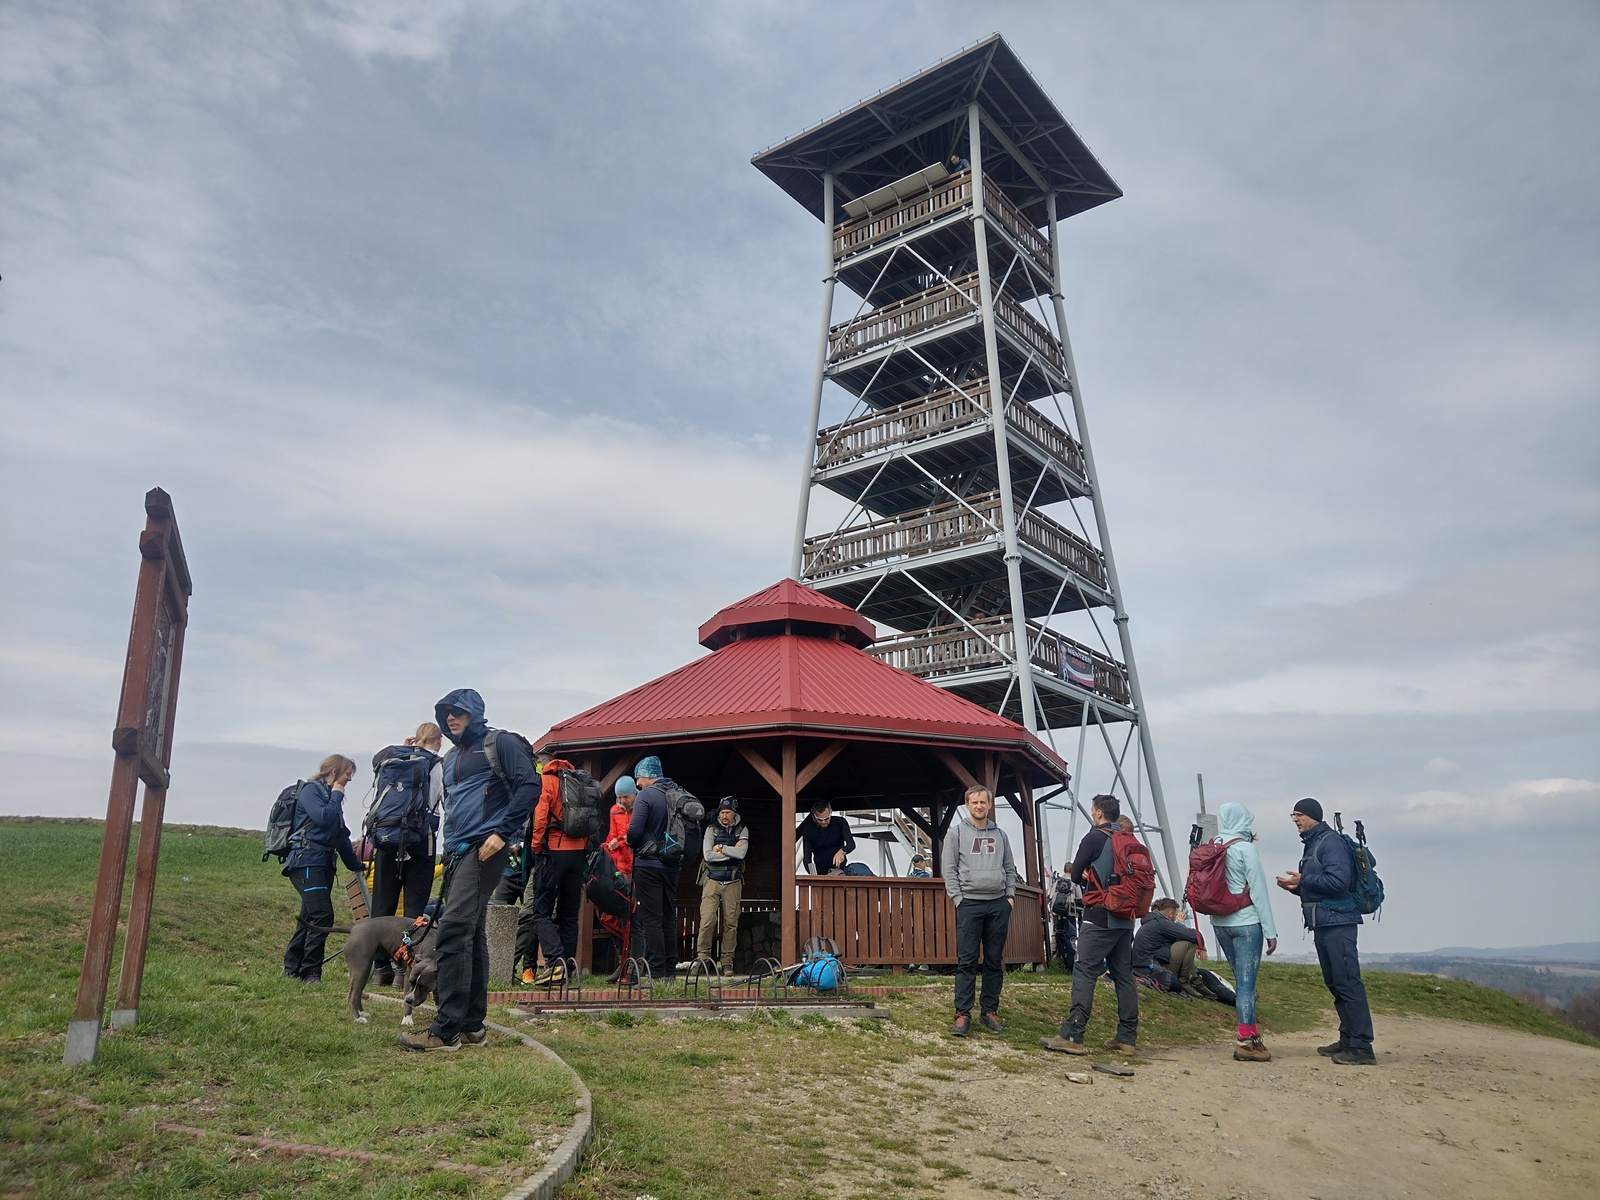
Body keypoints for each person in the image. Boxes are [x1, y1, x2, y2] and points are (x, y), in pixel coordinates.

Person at [398, 689, 536, 1052]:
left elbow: (529, 786)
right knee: (471, 933)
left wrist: (502, 833)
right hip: (459, 852)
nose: (450, 718)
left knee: (454, 929)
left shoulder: (500, 743)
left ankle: (446, 1030)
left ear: (474, 713)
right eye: (445, 713)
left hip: (485, 849)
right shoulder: (450, 758)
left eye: (457, 712)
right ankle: (472, 1026)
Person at [1277, 797, 1375, 1066]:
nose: (1295, 820)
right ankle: (1348, 1039)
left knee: (1347, 982)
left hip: (1338, 922)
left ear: (1313, 816)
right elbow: (1322, 885)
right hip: (1324, 921)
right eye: (1293, 815)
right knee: (1336, 982)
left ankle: (1362, 1046)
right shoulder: (1314, 842)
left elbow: (1339, 882)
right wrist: (1298, 887)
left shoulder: (1330, 842)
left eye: (1299, 814)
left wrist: (1304, 880)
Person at [1041, 794, 1139, 1056]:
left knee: (1084, 970)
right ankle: (1127, 1038)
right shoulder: (1129, 839)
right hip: (1126, 918)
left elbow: (1075, 873)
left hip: (1099, 916)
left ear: (1097, 813)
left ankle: (1073, 1034)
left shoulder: (1095, 837)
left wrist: (1087, 875)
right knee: (1123, 976)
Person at [368, 722, 446, 985]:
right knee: (414, 911)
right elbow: (440, 800)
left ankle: (381, 968)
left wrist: (403, 748)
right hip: (420, 841)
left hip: (387, 840)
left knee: (382, 906)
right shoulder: (436, 764)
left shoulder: (393, 758)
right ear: (439, 741)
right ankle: (405, 969)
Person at [942, 785, 1019, 1036]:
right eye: (974, 802)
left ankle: (989, 1011)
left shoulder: (1001, 835)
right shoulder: (956, 834)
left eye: (983, 802)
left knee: (994, 960)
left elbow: (1009, 867)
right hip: (969, 904)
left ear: (989, 805)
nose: (979, 806)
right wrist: (958, 899)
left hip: (998, 903)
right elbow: (949, 869)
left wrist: (1009, 896)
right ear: (967, 805)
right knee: (967, 960)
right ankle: (962, 1014)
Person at [282, 754, 363, 983]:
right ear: (334, 772)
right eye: (347, 774)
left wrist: (356, 865)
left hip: (323, 863)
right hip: (306, 861)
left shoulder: (330, 798)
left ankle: (291, 970)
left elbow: (340, 835)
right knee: (322, 915)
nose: (349, 779)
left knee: (310, 916)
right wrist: (337, 794)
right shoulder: (311, 791)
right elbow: (323, 819)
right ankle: (311, 972)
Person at [1209, 802, 1279, 1062]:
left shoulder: (1212, 845)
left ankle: (1250, 1035)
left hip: (1220, 923)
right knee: (1246, 984)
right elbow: (1258, 891)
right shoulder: (1245, 848)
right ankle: (1246, 1040)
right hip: (1246, 923)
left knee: (1241, 981)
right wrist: (1270, 930)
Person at [527, 756, 588, 985]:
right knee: (569, 913)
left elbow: (541, 816)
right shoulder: (578, 781)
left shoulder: (547, 781)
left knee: (541, 911)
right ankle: (568, 969)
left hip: (554, 851)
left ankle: (555, 962)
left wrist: (536, 846)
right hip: (578, 853)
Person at [627, 754, 681, 982]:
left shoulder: (646, 796)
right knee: (668, 917)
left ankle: (656, 972)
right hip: (672, 865)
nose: (637, 783)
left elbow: (634, 832)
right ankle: (670, 971)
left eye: (638, 778)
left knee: (651, 919)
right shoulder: (676, 793)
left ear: (648, 776)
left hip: (648, 865)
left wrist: (630, 840)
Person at [695, 797, 749, 973]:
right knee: (707, 920)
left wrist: (722, 848)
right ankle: (702, 959)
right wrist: (731, 851)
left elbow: (741, 854)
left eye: (728, 812)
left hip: (733, 880)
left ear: (734, 813)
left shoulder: (742, 829)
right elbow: (708, 855)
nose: (725, 816)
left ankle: (727, 961)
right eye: (722, 812)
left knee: (731, 923)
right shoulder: (711, 829)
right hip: (712, 879)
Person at [601, 776, 637, 981]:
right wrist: (607, 846)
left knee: (631, 919)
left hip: (635, 870)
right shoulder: (614, 810)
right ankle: (621, 962)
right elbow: (611, 835)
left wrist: (620, 841)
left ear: (634, 794)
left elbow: (634, 836)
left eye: (626, 797)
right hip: (618, 870)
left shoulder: (641, 809)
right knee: (610, 917)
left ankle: (630, 965)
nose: (622, 801)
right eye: (619, 797)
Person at [1133, 898, 1202, 992]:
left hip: (1142, 965)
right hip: (1151, 966)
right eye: (1176, 915)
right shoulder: (1162, 924)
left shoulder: (1151, 922)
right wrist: (1180, 924)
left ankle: (1190, 978)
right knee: (1187, 943)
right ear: (1170, 914)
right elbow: (1194, 936)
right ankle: (1185, 981)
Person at [795, 801, 855, 874]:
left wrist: (842, 851)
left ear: (831, 812)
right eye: (819, 820)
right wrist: (813, 874)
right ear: (814, 816)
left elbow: (851, 844)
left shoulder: (840, 822)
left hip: (838, 870)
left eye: (826, 819)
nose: (823, 822)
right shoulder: (808, 830)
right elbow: (807, 858)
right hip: (820, 872)